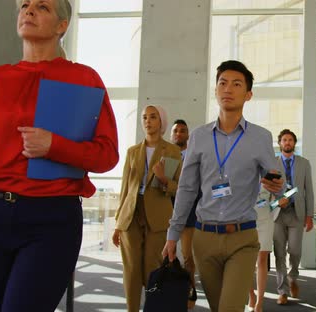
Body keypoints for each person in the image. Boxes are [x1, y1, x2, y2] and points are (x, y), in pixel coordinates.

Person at [0, 1, 119, 311]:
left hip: (50, 219)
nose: (29, 10)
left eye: (42, 6)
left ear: (62, 26)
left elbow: (107, 155)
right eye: (25, 5)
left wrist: (55, 146)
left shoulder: (83, 78)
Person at [162, 60, 284, 312]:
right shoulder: (199, 136)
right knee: (218, 307)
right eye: (222, 83)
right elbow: (186, 188)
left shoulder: (260, 137)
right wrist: (173, 234)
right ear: (216, 90)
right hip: (204, 238)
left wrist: (277, 185)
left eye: (236, 84)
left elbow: (277, 179)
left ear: (248, 94)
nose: (228, 88)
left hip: (242, 237)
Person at [113, 105, 182, 312]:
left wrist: (162, 178)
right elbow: (125, 188)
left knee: (152, 270)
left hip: (158, 217)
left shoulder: (172, 151)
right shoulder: (133, 151)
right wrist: (118, 222)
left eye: (153, 117)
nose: (148, 121)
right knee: (131, 271)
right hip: (131, 215)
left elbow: (177, 188)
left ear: (161, 122)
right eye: (144, 117)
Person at [273, 129, 315, 305]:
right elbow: (267, 190)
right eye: (284, 140)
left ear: (294, 143)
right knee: (279, 253)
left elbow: (309, 191)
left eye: (290, 140)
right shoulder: (272, 163)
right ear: (280, 143)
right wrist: (276, 202)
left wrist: (309, 215)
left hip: (297, 213)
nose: (287, 143)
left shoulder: (304, 163)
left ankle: (293, 276)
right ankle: (282, 290)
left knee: (295, 251)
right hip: (278, 215)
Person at [170, 118, 198, 309]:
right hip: (164, 211)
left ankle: (190, 291)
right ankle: (170, 292)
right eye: (176, 131)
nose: (179, 133)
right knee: (168, 255)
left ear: (188, 134)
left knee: (188, 257)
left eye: (183, 130)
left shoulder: (194, 157)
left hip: (188, 214)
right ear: (171, 135)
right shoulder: (164, 156)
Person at [248, 187, 289, 312]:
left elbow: (272, 203)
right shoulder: (244, 171)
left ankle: (260, 301)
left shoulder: (270, 173)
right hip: (247, 219)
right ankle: (251, 295)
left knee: (262, 259)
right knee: (247, 261)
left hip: (266, 220)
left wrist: (280, 203)